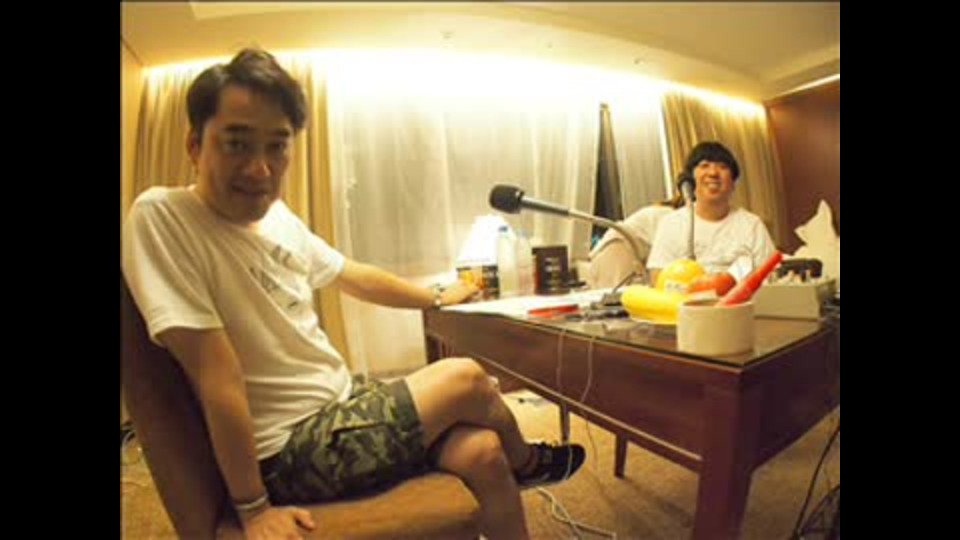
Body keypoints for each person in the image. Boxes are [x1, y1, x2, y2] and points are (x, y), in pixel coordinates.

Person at [121, 48, 584, 540]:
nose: (260, 169)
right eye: (237, 144)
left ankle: (514, 464)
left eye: (277, 147)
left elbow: (354, 275)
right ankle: (529, 463)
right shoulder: (164, 216)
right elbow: (216, 374)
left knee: (484, 453)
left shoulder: (276, 218)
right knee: (467, 379)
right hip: (286, 451)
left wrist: (435, 298)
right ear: (195, 145)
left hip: (342, 408)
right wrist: (253, 508)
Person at [646, 141, 776, 285]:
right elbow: (658, 277)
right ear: (691, 181)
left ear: (733, 184)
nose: (713, 173)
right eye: (704, 165)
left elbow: (770, 278)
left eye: (722, 167)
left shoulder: (752, 225)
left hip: (741, 298)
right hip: (684, 298)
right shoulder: (672, 224)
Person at [586, 189, 684, 289]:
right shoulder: (671, 216)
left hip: (622, 249)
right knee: (616, 295)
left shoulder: (666, 213)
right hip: (618, 248)